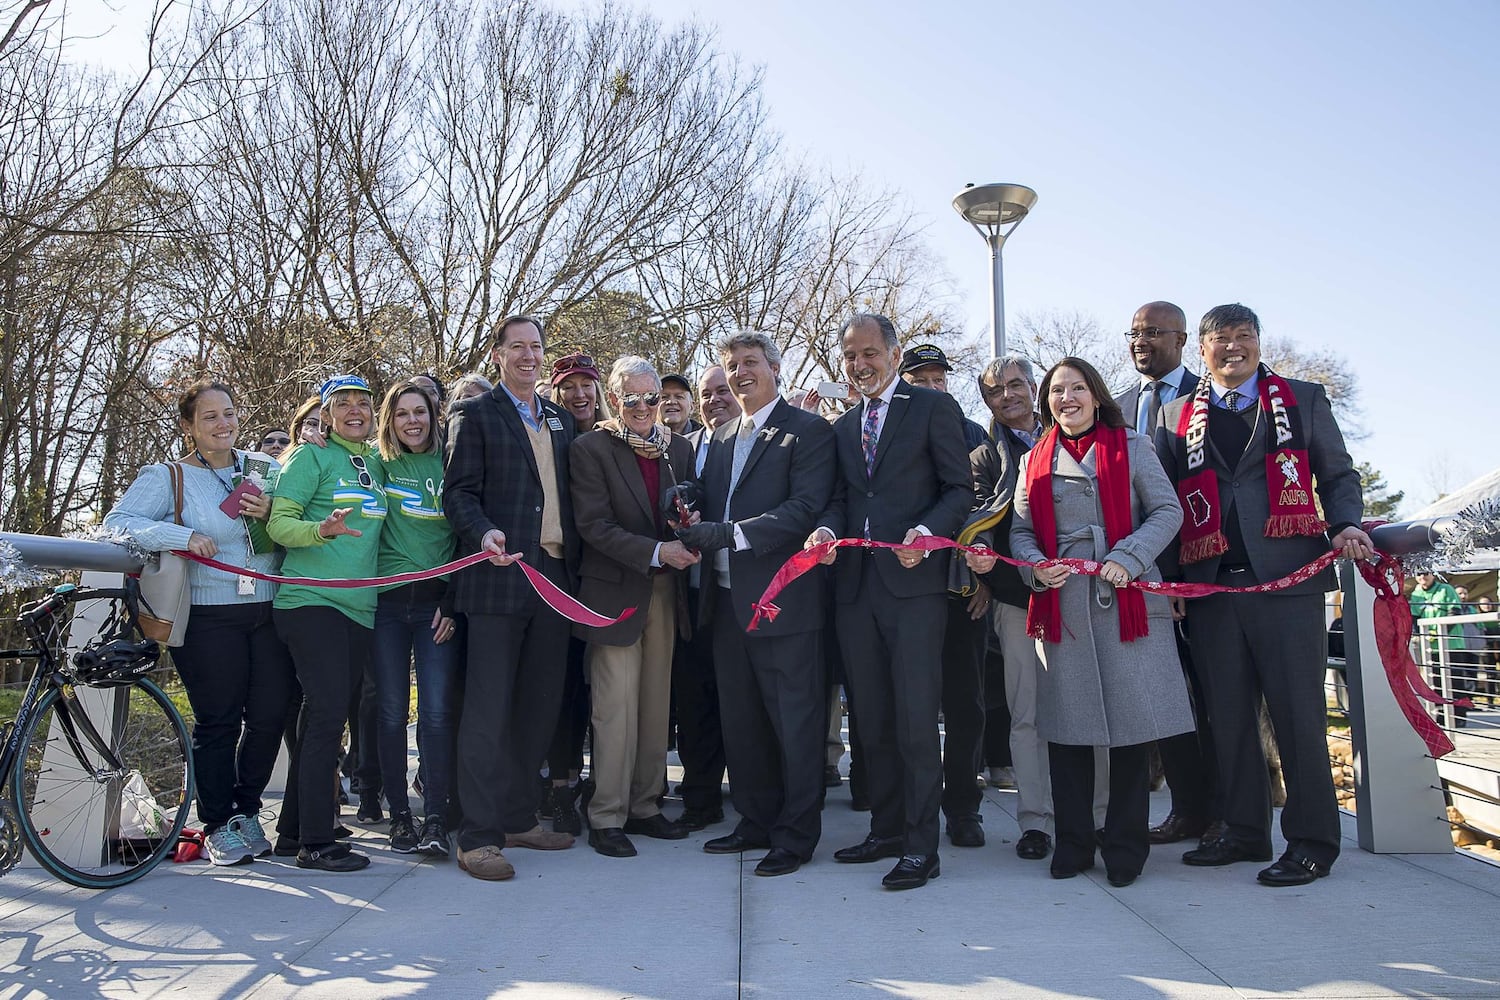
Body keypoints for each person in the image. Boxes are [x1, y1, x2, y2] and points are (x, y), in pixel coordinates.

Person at [1155, 303, 1369, 887]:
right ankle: (1244, 831)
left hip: (1290, 581)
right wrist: (1173, 578)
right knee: (1226, 719)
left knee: (1299, 717)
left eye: (1243, 337)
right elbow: (1167, 502)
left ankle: (1312, 842)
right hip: (1211, 587)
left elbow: (1338, 473)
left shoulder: (1302, 398)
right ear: (1201, 350)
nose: (1233, 349)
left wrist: (1347, 521)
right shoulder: (1175, 417)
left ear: (1257, 342)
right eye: (1220, 340)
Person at [988, 358, 1193, 886]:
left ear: (1096, 396)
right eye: (1058, 391)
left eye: (1077, 388)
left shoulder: (1133, 446)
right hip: (1065, 607)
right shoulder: (1034, 459)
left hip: (1125, 598)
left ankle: (1125, 847)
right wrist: (1037, 568)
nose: (1067, 398)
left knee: (1130, 733)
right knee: (1067, 734)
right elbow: (1021, 531)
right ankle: (1073, 844)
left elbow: (1167, 511)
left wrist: (1131, 556)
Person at [806, 313, 971, 891]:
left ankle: (922, 846)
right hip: (855, 591)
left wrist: (928, 535)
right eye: (850, 356)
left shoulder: (931, 408)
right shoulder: (844, 426)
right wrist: (826, 533)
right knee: (871, 720)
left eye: (870, 353)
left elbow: (959, 490)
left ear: (894, 355)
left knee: (915, 721)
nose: (860, 365)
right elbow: (839, 499)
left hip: (914, 591)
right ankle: (887, 829)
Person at [104, 379, 294, 866]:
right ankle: (216, 822)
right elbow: (118, 523)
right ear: (188, 426)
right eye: (209, 417)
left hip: (271, 611)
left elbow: (295, 521)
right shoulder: (167, 477)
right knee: (219, 720)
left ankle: (247, 811)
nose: (223, 423)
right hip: (209, 617)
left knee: (271, 714)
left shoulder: (264, 467)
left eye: (229, 413)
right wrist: (180, 534)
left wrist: (273, 509)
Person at [677, 332, 835, 877]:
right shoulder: (717, 437)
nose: (741, 373)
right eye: (732, 365)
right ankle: (755, 820)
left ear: (774, 367)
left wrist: (729, 534)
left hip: (782, 603)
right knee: (741, 722)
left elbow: (805, 508)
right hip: (723, 603)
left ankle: (795, 834)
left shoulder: (807, 431)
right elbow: (708, 503)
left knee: (794, 723)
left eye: (751, 363)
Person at [444, 314, 579, 882]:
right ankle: (477, 835)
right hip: (499, 575)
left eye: (537, 347)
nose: (529, 356)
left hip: (553, 578)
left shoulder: (561, 419)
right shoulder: (473, 415)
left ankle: (517, 816)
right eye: (517, 347)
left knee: (537, 705)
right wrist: (483, 533)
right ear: (498, 355)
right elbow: (458, 495)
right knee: (488, 709)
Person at [570, 357, 699, 857]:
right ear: (614, 398)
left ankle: (646, 805)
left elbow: (689, 507)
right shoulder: (591, 449)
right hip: (614, 593)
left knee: (653, 705)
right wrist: (654, 551)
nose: (645, 408)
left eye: (653, 399)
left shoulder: (679, 450)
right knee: (614, 707)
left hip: (667, 591)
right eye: (633, 399)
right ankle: (606, 815)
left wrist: (689, 532)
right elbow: (593, 525)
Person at [268, 373, 387, 872]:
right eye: (344, 404)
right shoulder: (309, 455)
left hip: (360, 607)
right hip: (311, 603)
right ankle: (316, 844)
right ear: (325, 412)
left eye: (364, 402)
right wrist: (320, 529)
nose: (356, 410)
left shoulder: (379, 462)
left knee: (322, 714)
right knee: (327, 716)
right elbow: (278, 522)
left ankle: (293, 829)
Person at [1115, 301, 1217, 846]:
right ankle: (1188, 809)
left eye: (1153, 332)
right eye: (1133, 332)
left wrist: (1177, 578)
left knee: (1213, 697)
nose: (1140, 341)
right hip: (1139, 578)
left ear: (1182, 339)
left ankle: (1229, 807)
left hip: (1201, 573)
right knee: (1164, 697)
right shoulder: (1119, 405)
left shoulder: (1210, 398)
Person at [899, 343, 989, 849]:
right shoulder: (886, 432)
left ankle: (962, 806)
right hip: (907, 588)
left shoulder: (974, 435)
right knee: (910, 703)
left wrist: (983, 580)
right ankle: (910, 803)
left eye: (940, 378)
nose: (934, 386)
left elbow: (984, 515)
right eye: (921, 378)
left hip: (960, 592)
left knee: (964, 703)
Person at [368, 379, 461, 857]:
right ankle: (399, 818)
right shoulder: (375, 463)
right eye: (402, 413)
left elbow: (467, 533)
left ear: (433, 415)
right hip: (385, 602)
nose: (412, 421)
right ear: (390, 419)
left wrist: (453, 601)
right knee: (388, 713)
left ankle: (437, 819)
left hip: (435, 606)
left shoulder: (451, 462)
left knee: (438, 713)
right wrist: (312, 436)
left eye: (420, 412)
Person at [972, 355, 1059, 862]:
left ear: (1034, 385)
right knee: (1026, 715)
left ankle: (1093, 814)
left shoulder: (1072, 435)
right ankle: (1035, 822)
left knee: (1086, 710)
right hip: (1017, 599)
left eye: (1016, 385)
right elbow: (980, 526)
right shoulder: (984, 456)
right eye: (995, 391)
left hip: (1082, 596)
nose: (1008, 395)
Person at [670, 364, 743, 830]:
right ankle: (700, 800)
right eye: (706, 393)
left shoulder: (758, 441)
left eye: (723, 391)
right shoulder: (685, 449)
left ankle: (752, 794)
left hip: (741, 595)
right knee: (695, 701)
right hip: (693, 597)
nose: (715, 399)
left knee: (739, 702)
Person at [539, 351, 604, 834]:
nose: (579, 395)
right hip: (559, 575)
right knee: (559, 685)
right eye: (569, 386)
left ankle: (601, 786)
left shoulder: (613, 435)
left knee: (596, 689)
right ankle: (559, 785)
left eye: (587, 385)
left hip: (604, 579)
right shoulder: (552, 436)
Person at [1410, 572, 1467, 724]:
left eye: (1426, 574)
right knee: (1435, 682)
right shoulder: (1416, 593)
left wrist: (1440, 633)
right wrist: (1421, 634)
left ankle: (1459, 716)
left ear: (1433, 575)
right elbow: (1414, 619)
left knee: (1455, 680)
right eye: (1418, 574)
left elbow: (1454, 611)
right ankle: (1441, 716)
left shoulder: (1446, 589)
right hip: (1430, 647)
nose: (1422, 577)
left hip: (1451, 644)